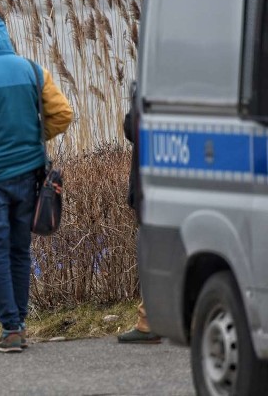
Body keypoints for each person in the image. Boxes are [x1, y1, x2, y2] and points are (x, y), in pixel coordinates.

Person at [0, 11, 73, 353]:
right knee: (21, 249)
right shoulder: (33, 69)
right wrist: (33, 138)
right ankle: (19, 322)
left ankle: (10, 329)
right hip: (30, 174)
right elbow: (62, 114)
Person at [117, 82, 161, 344]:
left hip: (153, 184)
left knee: (150, 250)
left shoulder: (152, 79)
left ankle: (148, 321)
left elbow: (134, 128)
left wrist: (135, 99)